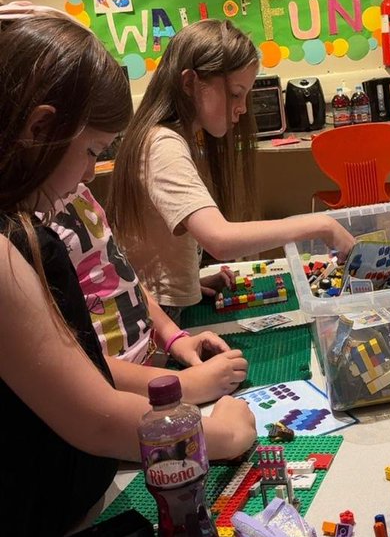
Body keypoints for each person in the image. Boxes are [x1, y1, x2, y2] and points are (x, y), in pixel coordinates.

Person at [0, 13, 256, 537]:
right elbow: (94, 418)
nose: (91, 172)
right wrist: (214, 433)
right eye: (90, 152)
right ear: (40, 129)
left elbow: (80, 364)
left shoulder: (24, 228)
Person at [108, 19, 354, 321]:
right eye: (236, 93)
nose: (243, 108)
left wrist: (189, 284)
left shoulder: (173, 138)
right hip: (158, 319)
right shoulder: (162, 144)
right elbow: (220, 239)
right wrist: (322, 225)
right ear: (189, 84)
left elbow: (154, 250)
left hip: (164, 304)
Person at [49, 182, 249, 402]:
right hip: (119, 400)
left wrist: (174, 339)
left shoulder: (75, 188)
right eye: (90, 151)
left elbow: (121, 274)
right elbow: (71, 362)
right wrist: (185, 384)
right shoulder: (28, 223)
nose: (91, 173)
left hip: (153, 370)